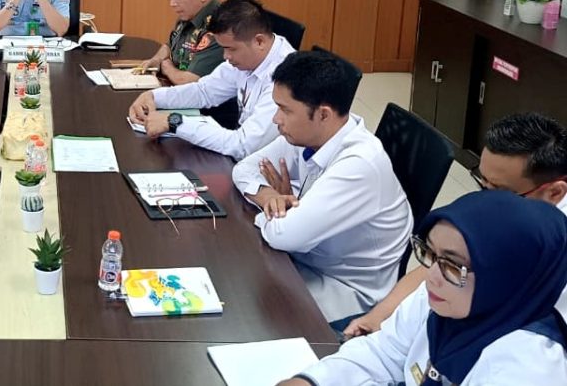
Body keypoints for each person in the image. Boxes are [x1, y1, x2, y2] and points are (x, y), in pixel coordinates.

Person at [279, 191, 567, 386]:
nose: (431, 276)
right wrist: (311, 381)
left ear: (502, 278)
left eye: (453, 264)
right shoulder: (448, 295)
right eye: (429, 252)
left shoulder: (527, 368)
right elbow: (384, 352)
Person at [343, 111, 567, 339]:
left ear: (554, 193)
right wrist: (379, 316)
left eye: (500, 192)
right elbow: (440, 264)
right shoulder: (507, 206)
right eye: (483, 183)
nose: (486, 201)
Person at [231, 51, 413, 326]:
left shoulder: (359, 164)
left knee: (242, 312)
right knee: (234, 282)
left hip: (344, 291)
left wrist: (278, 212)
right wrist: (270, 197)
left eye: (285, 110)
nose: (276, 119)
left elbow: (284, 235)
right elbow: (243, 169)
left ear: (323, 114)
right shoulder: (311, 134)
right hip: (306, 260)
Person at [128, 0, 294, 159]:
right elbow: (204, 91)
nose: (226, 56)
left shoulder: (284, 78)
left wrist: (175, 122)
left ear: (259, 41)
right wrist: (153, 96)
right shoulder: (246, 58)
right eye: (223, 49)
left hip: (265, 166)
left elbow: (243, 145)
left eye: (231, 49)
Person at [136, 0, 223, 84]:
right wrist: (157, 59)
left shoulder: (219, 27)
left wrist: (166, 67)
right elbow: (170, 44)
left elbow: (190, 81)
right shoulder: (189, 14)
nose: (172, 3)